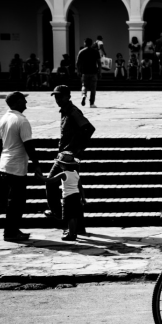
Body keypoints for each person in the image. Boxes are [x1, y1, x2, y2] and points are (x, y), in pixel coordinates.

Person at [44, 85, 95, 225]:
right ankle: (78, 225)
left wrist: (76, 150)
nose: (58, 99)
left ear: (68, 97)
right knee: (72, 189)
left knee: (51, 181)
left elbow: (88, 128)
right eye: (56, 97)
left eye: (60, 96)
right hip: (64, 156)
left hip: (67, 157)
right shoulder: (65, 111)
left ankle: (57, 212)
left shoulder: (73, 112)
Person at [0, 92, 42, 241]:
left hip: (5, 165)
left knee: (12, 202)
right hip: (16, 167)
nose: (26, 103)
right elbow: (29, 145)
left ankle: (11, 230)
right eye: (23, 100)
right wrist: (36, 165)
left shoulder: (4, 119)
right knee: (17, 202)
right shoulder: (22, 121)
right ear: (17, 102)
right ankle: (11, 232)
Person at [40, 152, 86, 241]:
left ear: (63, 165)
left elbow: (50, 180)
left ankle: (71, 234)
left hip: (68, 198)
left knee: (69, 217)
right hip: (76, 196)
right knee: (74, 216)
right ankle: (74, 232)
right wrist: (83, 198)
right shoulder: (76, 173)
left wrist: (39, 177)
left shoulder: (63, 174)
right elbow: (80, 186)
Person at [76, 38, 101, 108]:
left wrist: (78, 71)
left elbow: (77, 63)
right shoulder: (95, 51)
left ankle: (84, 95)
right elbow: (99, 63)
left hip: (84, 72)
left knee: (84, 85)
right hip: (93, 72)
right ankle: (92, 103)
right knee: (93, 88)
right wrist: (100, 72)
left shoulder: (81, 51)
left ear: (85, 43)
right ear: (91, 43)